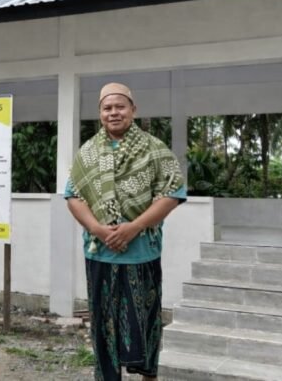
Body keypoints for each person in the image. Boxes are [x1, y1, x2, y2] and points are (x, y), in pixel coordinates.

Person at [65, 83, 186, 381]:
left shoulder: (154, 149)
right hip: (100, 252)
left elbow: (173, 192)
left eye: (120, 106)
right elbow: (73, 195)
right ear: (100, 113)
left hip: (142, 252)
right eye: (107, 108)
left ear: (133, 109)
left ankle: (148, 375)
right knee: (103, 324)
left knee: (144, 320)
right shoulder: (88, 151)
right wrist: (97, 228)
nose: (114, 112)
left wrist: (134, 227)